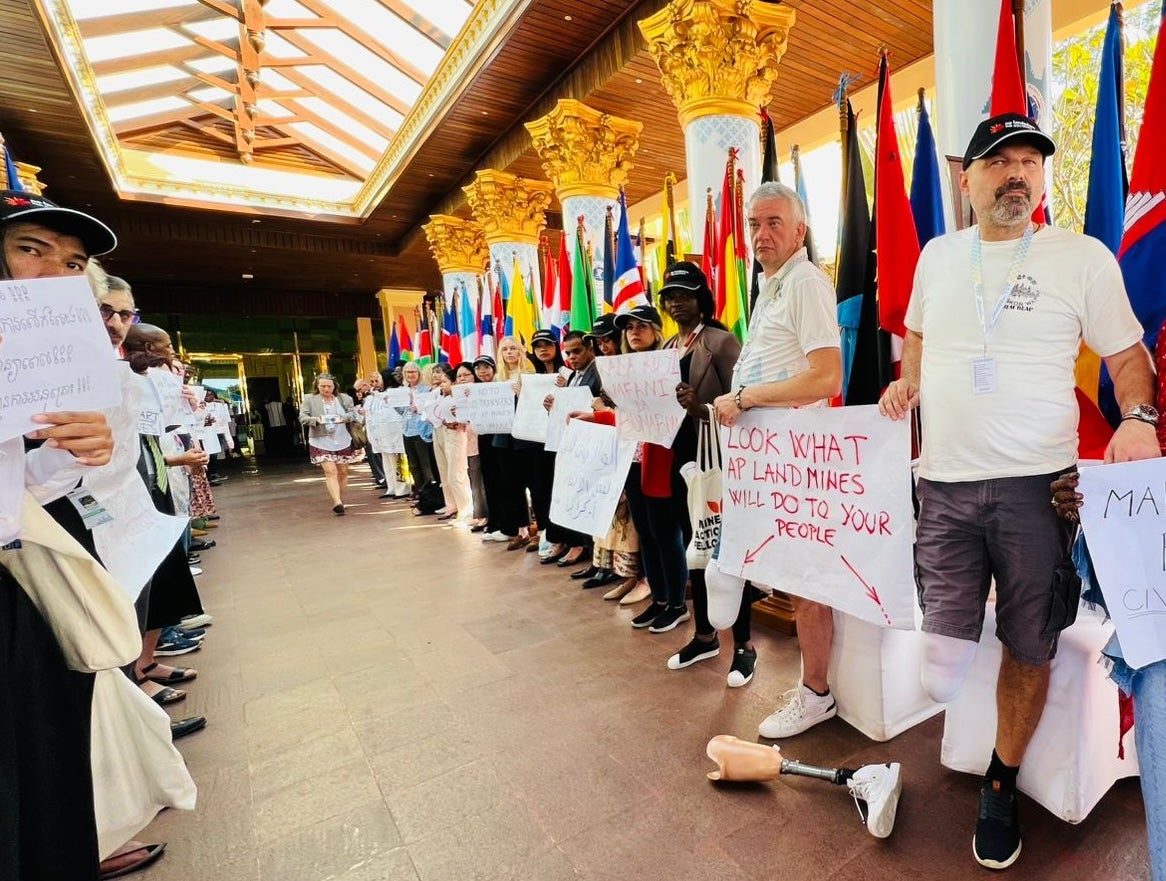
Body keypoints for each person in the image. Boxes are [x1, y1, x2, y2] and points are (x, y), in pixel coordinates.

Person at [878, 113, 1157, 870]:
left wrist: (1138, 415)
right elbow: (922, 342)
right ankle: (960, 731)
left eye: (1031, 162)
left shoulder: (1081, 257)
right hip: (941, 486)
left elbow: (1129, 354)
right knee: (943, 646)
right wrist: (906, 386)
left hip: (1041, 491)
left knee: (1030, 642)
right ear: (966, 179)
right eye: (1000, 161)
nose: (1018, 174)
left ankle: (1000, 779)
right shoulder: (938, 257)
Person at [708, 183, 842, 729]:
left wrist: (746, 397)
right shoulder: (772, 287)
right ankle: (729, 566)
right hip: (767, 457)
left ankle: (816, 695)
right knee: (787, 572)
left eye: (774, 224)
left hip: (797, 458)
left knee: (805, 581)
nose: (762, 235)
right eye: (754, 224)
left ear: (800, 231)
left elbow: (827, 376)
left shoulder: (805, 282)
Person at [655, 262, 753, 686]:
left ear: (702, 299)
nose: (677, 302)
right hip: (679, 458)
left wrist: (702, 410)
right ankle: (704, 635)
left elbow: (745, 400)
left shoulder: (721, 340)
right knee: (695, 547)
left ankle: (745, 646)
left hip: (717, 459)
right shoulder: (665, 346)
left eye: (685, 294)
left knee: (726, 551)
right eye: (670, 296)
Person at [612, 304, 694, 632]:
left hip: (661, 458)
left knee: (665, 533)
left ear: (657, 331)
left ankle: (676, 603)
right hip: (633, 459)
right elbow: (623, 417)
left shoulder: (668, 365)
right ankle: (659, 599)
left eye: (642, 325)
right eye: (629, 327)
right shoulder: (622, 370)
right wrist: (592, 415)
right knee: (645, 531)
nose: (634, 332)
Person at [299, 374, 361, 514]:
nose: (326, 389)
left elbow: (353, 415)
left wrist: (342, 418)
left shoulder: (344, 398)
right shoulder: (309, 399)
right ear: (317, 386)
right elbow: (303, 417)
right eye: (322, 386)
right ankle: (337, 502)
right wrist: (316, 420)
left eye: (329, 386)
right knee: (330, 471)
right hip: (320, 440)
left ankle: (340, 498)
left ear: (335, 386)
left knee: (343, 472)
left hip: (342, 439)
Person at [430, 363, 473, 521]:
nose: (441, 385)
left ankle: (466, 509)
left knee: (457, 474)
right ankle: (454, 505)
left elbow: (462, 417)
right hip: (446, 432)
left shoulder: (458, 396)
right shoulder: (441, 395)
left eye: (444, 382)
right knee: (448, 473)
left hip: (458, 434)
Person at [454, 362, 489, 529]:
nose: (462, 378)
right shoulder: (459, 396)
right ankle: (481, 515)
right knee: (475, 478)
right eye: (459, 376)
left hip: (486, 439)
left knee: (486, 479)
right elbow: (461, 423)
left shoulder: (484, 390)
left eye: (466, 374)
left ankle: (490, 516)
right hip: (470, 441)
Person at [400, 362, 437, 491]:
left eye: (413, 372)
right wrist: (392, 403)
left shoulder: (425, 389)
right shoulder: (402, 390)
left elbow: (429, 409)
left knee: (425, 463)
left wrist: (418, 408)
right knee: (413, 464)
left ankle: (429, 491)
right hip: (406, 430)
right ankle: (419, 491)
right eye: (408, 372)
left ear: (419, 373)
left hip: (421, 429)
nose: (410, 375)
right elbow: (401, 411)